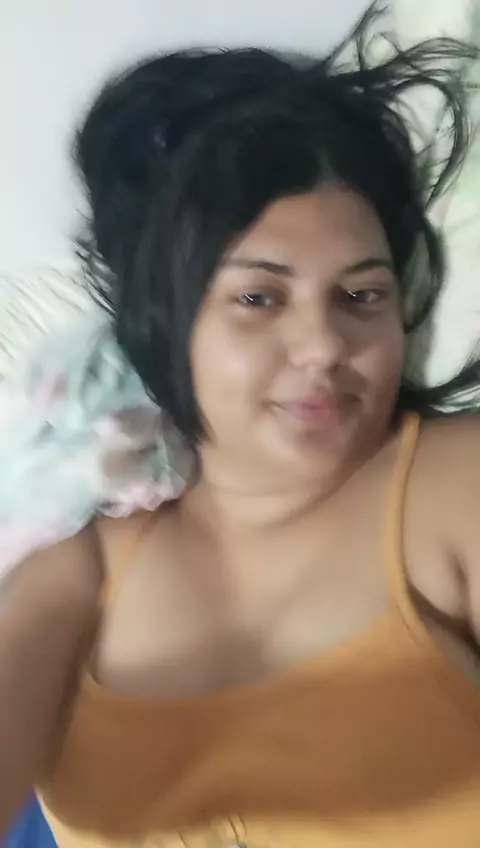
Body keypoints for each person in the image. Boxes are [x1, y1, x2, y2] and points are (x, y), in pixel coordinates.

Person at [2, 7, 480, 847]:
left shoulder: (453, 486)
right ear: (166, 319)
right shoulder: (81, 556)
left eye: (362, 295)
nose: (324, 345)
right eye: (259, 297)